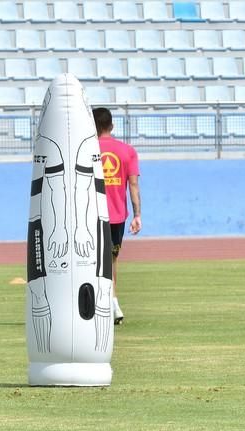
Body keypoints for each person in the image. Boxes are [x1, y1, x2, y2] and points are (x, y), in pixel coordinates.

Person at [93, 107, 142, 325]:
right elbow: (133, 185)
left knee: (93, 260)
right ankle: (112, 303)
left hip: (92, 215)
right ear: (111, 126)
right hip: (118, 216)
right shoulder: (127, 151)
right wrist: (137, 214)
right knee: (111, 260)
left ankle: (104, 304)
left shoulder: (87, 149)